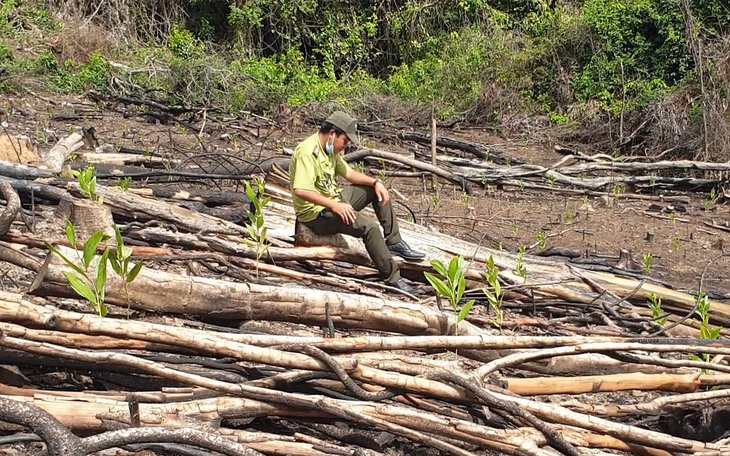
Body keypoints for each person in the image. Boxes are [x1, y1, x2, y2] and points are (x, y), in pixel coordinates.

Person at [289, 111, 425, 295]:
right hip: (317, 215)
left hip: (334, 199)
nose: (345, 146)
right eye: (345, 141)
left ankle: (394, 241)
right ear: (332, 134)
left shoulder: (329, 149)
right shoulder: (307, 152)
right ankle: (393, 278)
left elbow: (350, 174)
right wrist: (334, 205)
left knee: (374, 192)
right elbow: (300, 190)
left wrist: (376, 183)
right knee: (369, 228)